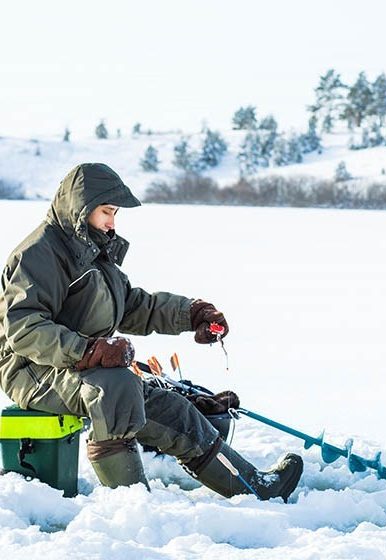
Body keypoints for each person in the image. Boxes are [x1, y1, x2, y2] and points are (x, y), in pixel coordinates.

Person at [0, 163, 302, 501]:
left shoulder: (93, 252)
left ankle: (252, 486)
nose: (112, 222)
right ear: (80, 207)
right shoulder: (39, 253)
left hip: (79, 364)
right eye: (106, 211)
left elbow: (133, 306)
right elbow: (23, 327)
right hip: (32, 369)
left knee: (175, 409)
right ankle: (132, 504)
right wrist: (88, 351)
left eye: (114, 213)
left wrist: (192, 314)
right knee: (115, 388)